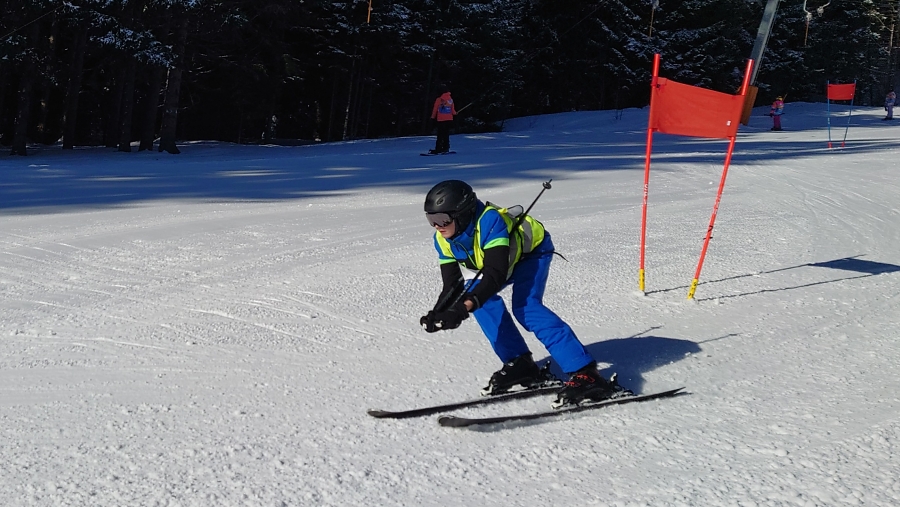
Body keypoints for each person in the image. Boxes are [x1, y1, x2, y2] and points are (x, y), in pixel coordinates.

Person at [419, 180, 627, 408]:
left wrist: (461, 309)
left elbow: (494, 275)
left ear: (463, 213)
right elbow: (452, 284)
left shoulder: (489, 220)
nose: (437, 226)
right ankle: (520, 364)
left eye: (442, 219)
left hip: (530, 255)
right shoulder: (442, 239)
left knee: (527, 308)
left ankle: (585, 373)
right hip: (501, 264)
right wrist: (438, 313)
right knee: (483, 304)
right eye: (431, 219)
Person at [429, 86, 457, 154]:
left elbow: (435, 109)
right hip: (449, 119)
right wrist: (455, 113)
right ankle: (446, 147)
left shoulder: (439, 99)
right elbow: (452, 110)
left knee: (440, 134)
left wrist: (432, 117)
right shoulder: (450, 99)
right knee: (446, 134)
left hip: (441, 119)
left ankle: (438, 148)